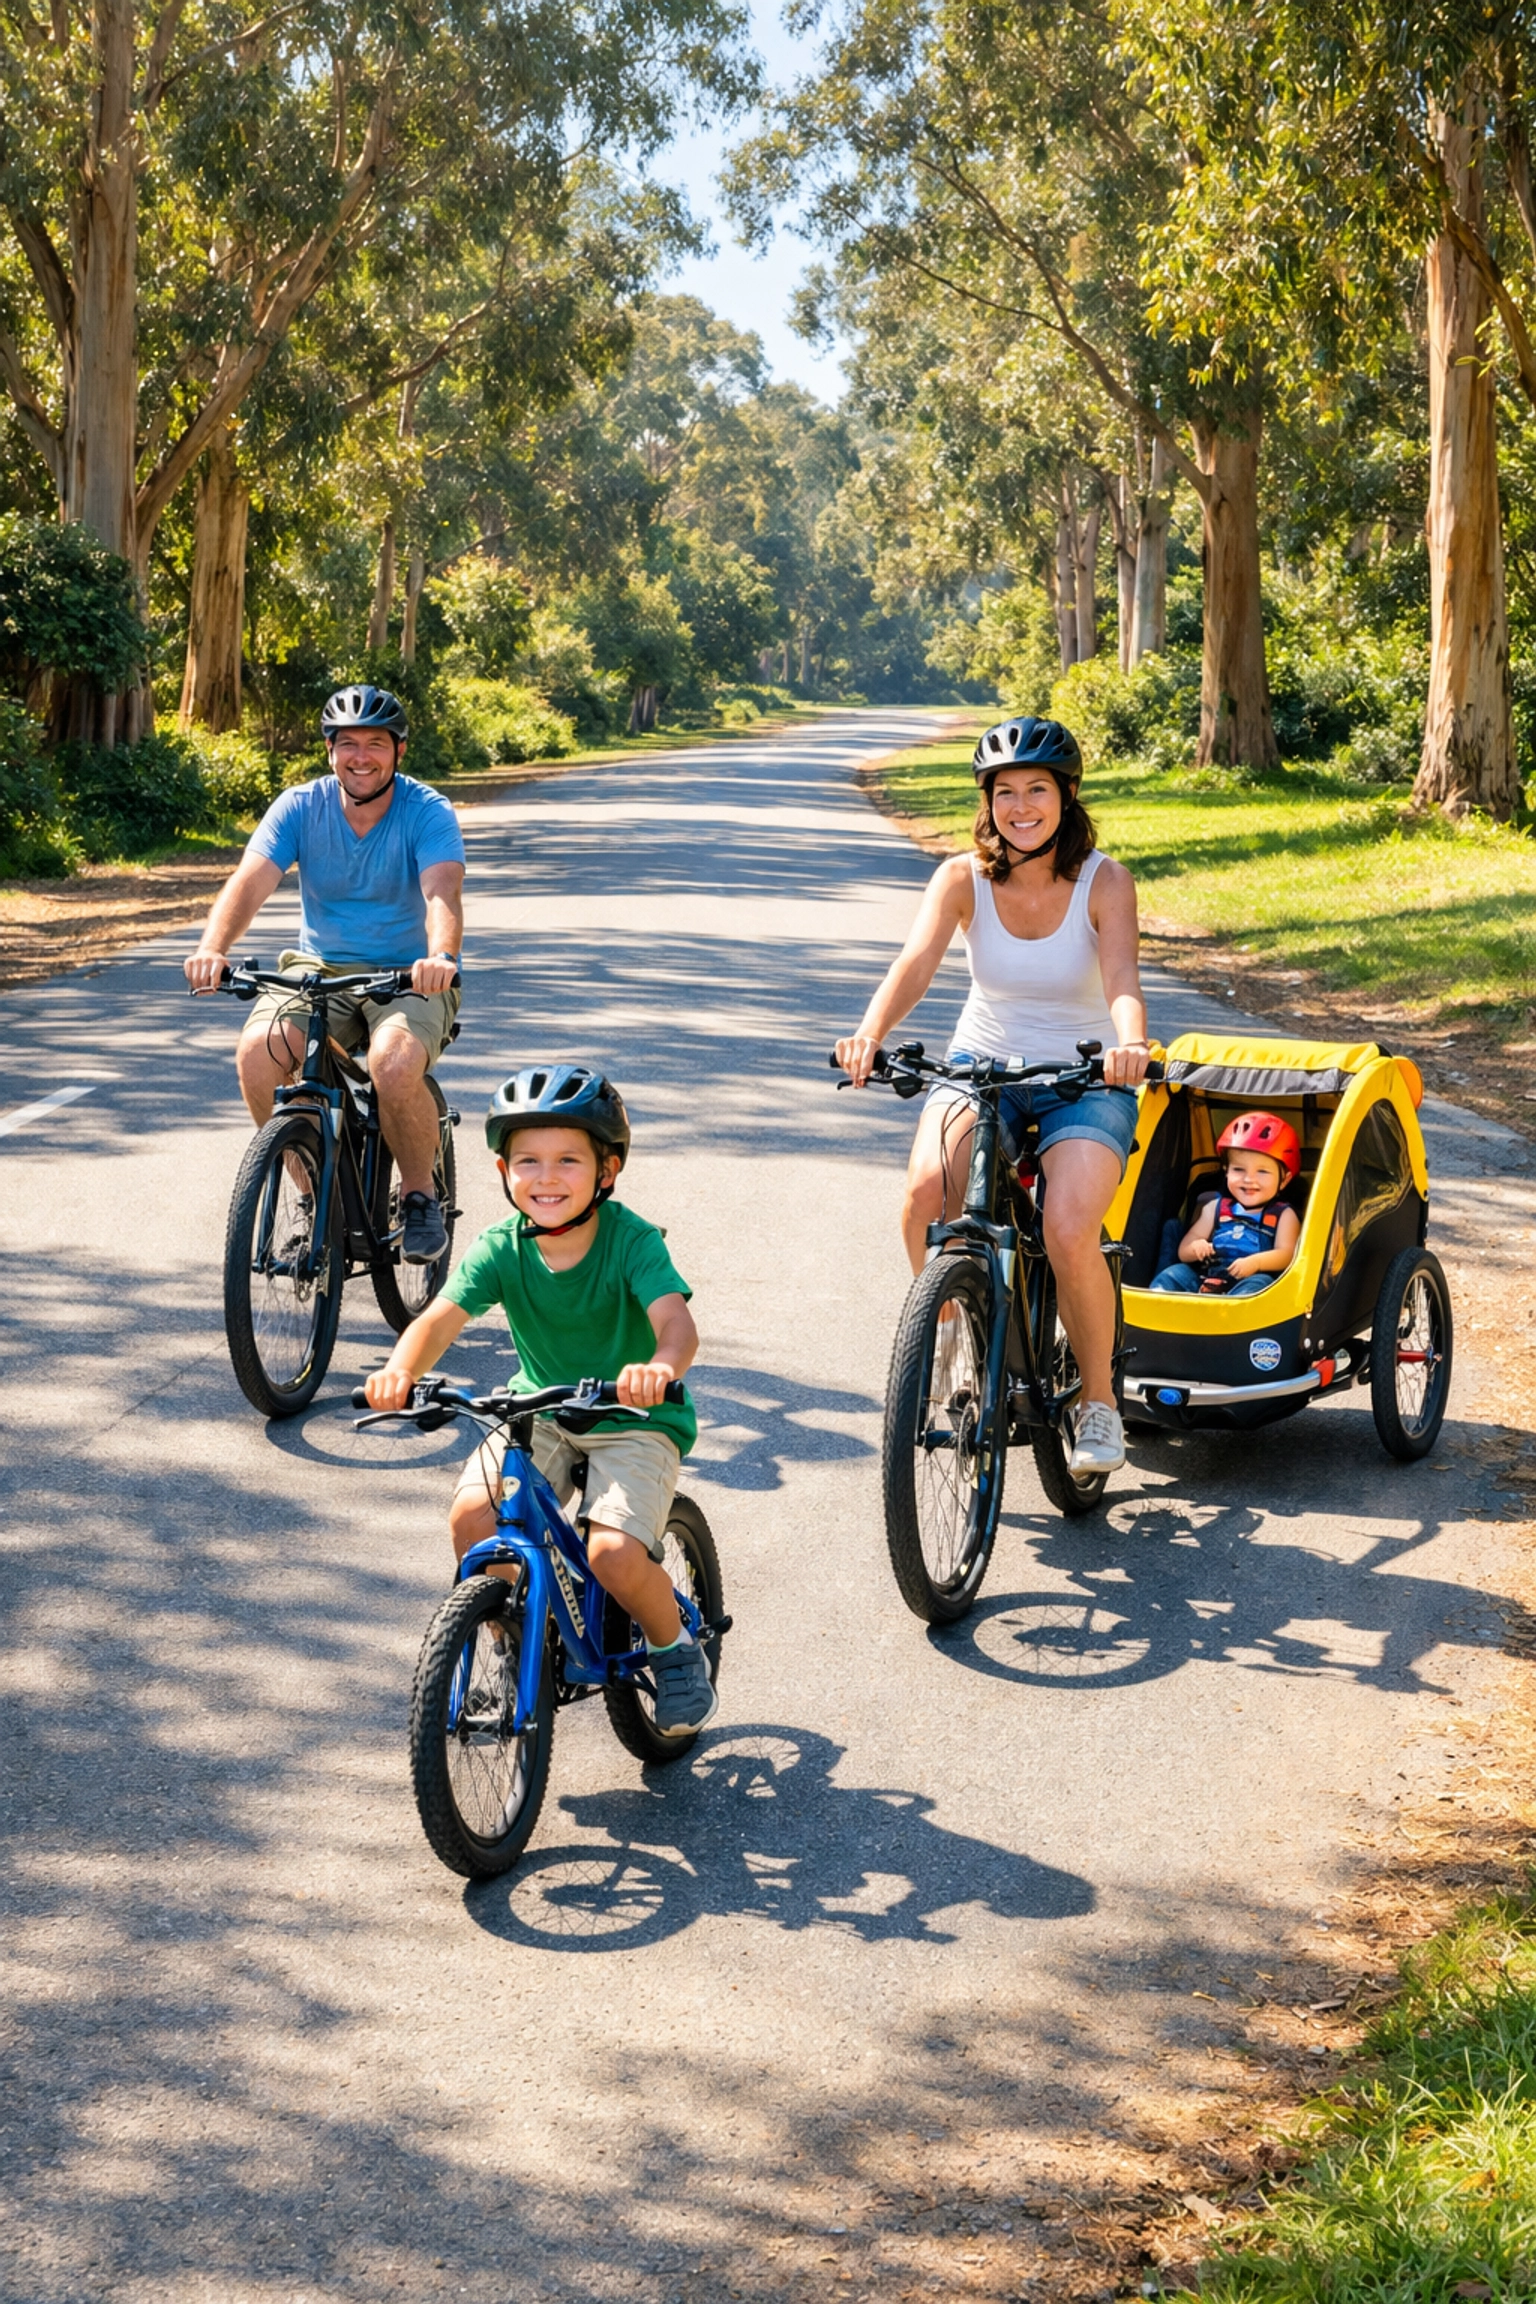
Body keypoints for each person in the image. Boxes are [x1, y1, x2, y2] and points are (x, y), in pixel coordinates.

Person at [835, 714, 1152, 1477]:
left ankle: (1100, 1403)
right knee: (923, 1197)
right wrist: (870, 1031)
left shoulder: (1104, 881)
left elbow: (1121, 983)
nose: (1020, 806)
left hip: (1082, 1074)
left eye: (1036, 790)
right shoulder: (961, 877)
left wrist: (1130, 1046)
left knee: (1069, 1223)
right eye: (1004, 791)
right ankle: (947, 1319)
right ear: (987, 799)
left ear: (1066, 796)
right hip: (983, 1061)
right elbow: (915, 963)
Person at [363, 1064, 717, 1739]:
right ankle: (514, 1634)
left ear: (606, 1172)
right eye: (527, 1161)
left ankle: (674, 1650)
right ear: (502, 1169)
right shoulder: (501, 1247)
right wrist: (398, 1370)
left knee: (613, 1556)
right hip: (541, 1410)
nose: (545, 1178)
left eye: (567, 1161)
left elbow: (677, 1324)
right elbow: (439, 1318)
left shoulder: (631, 1241)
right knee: (473, 1517)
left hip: (633, 1416)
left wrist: (658, 1369)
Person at [184, 685, 465, 1264]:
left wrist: (441, 958)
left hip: (410, 973)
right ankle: (313, 1195)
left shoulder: (427, 810)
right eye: (348, 744)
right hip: (320, 967)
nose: (361, 756)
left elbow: (443, 892)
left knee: (391, 1064)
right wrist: (212, 947)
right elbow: (251, 880)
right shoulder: (299, 806)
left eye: (375, 744)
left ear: (399, 751)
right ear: (330, 751)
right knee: (258, 1055)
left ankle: (417, 1196)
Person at [1151, 1111, 1301, 1297]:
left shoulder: (1283, 1214)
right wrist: (1196, 1247)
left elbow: (1287, 1255)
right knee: (1174, 1273)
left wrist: (1256, 1263)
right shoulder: (1215, 1207)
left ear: (1284, 1180)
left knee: (1262, 1284)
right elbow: (1184, 1250)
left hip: (1251, 1281)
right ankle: (1158, 1303)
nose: (1248, 1179)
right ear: (1226, 1172)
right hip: (1205, 1278)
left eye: (1262, 1171)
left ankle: (1233, 1317)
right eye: (1238, 1169)